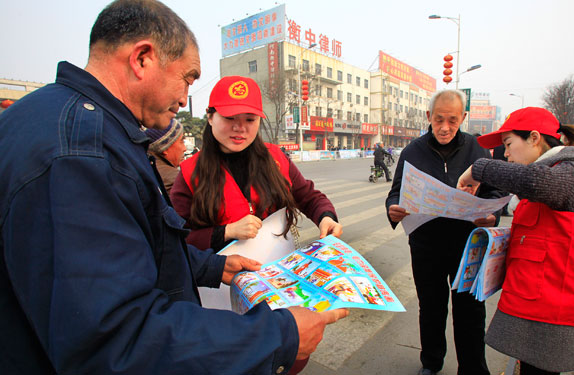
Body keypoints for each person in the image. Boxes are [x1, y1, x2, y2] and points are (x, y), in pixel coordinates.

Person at [0, 1, 347, 373]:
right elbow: (116, 338)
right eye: (187, 78)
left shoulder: (63, 122)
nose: (184, 99)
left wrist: (212, 267)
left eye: (249, 120)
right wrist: (278, 335)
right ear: (143, 58)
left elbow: (145, 246)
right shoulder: (82, 154)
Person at [457, 107, 574, 375]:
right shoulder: (557, 170)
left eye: (508, 144)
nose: (505, 154)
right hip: (536, 305)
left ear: (533, 138)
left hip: (553, 313)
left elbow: (538, 182)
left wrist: (479, 168)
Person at [385, 89, 502, 375]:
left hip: (468, 245)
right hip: (427, 246)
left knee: (471, 311)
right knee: (432, 308)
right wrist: (393, 208)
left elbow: (495, 191)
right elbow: (396, 191)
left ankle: (473, 368)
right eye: (439, 120)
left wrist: (492, 215)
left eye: (452, 120)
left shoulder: (477, 150)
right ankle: (431, 363)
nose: (445, 127)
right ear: (429, 117)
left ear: (463, 117)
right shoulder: (413, 151)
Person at [171, 75, 342, 253]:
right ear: (210, 117)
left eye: (250, 119)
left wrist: (326, 217)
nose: (240, 128)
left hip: (279, 271)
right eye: (230, 118)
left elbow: (309, 197)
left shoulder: (275, 158)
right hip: (223, 275)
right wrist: (225, 232)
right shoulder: (189, 173)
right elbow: (177, 237)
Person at [144, 118, 186, 193]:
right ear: (165, 148)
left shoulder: (146, 167)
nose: (184, 148)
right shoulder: (175, 179)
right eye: (181, 141)